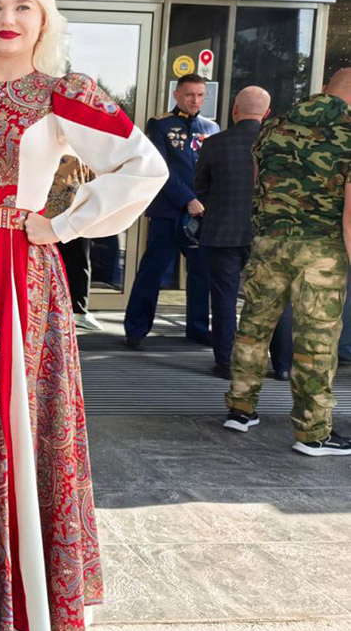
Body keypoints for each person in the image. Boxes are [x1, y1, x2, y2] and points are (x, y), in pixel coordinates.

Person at [0, 0, 167, 631]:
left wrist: (63, 223)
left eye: (23, 7)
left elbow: (144, 166)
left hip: (17, 276)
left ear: (44, 20)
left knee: (12, 420)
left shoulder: (61, 93)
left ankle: (15, 596)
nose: (8, 19)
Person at [223, 70, 351, 455]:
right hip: (322, 250)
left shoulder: (274, 126)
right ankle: (313, 433)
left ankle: (240, 410)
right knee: (316, 340)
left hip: (269, 243)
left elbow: (259, 185)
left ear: (325, 89)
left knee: (253, 327)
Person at [195, 86, 292, 381]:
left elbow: (201, 189)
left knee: (224, 299)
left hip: (222, 233)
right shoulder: (283, 145)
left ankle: (226, 363)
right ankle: (283, 365)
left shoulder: (214, 144)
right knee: (275, 299)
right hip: (270, 235)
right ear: (267, 113)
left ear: (234, 110)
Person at [123, 73, 219, 348]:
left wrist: (207, 202)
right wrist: (187, 198)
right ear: (176, 95)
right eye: (189, 94)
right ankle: (136, 329)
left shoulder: (211, 128)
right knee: (153, 271)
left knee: (201, 273)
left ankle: (198, 328)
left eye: (200, 95)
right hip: (168, 211)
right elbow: (159, 167)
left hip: (201, 214)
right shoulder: (160, 124)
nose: (195, 100)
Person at [45, 155, 102, 330]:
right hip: (46, 209)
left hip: (76, 209)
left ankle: (79, 311)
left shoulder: (84, 144)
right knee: (45, 261)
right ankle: (47, 309)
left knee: (79, 260)